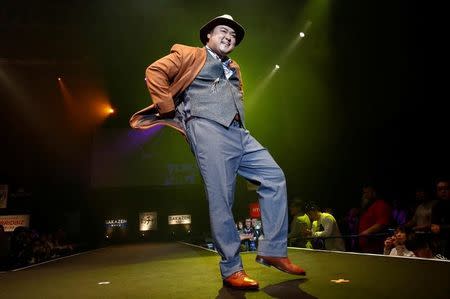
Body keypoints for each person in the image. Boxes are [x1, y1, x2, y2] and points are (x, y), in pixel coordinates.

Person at [129, 14, 305, 290]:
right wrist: (168, 108)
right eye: (223, 31)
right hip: (207, 128)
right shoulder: (188, 53)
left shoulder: (234, 67)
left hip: (239, 133)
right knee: (222, 197)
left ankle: (273, 249)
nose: (229, 37)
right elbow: (154, 72)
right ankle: (231, 268)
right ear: (209, 35)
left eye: (233, 36)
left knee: (274, 176)